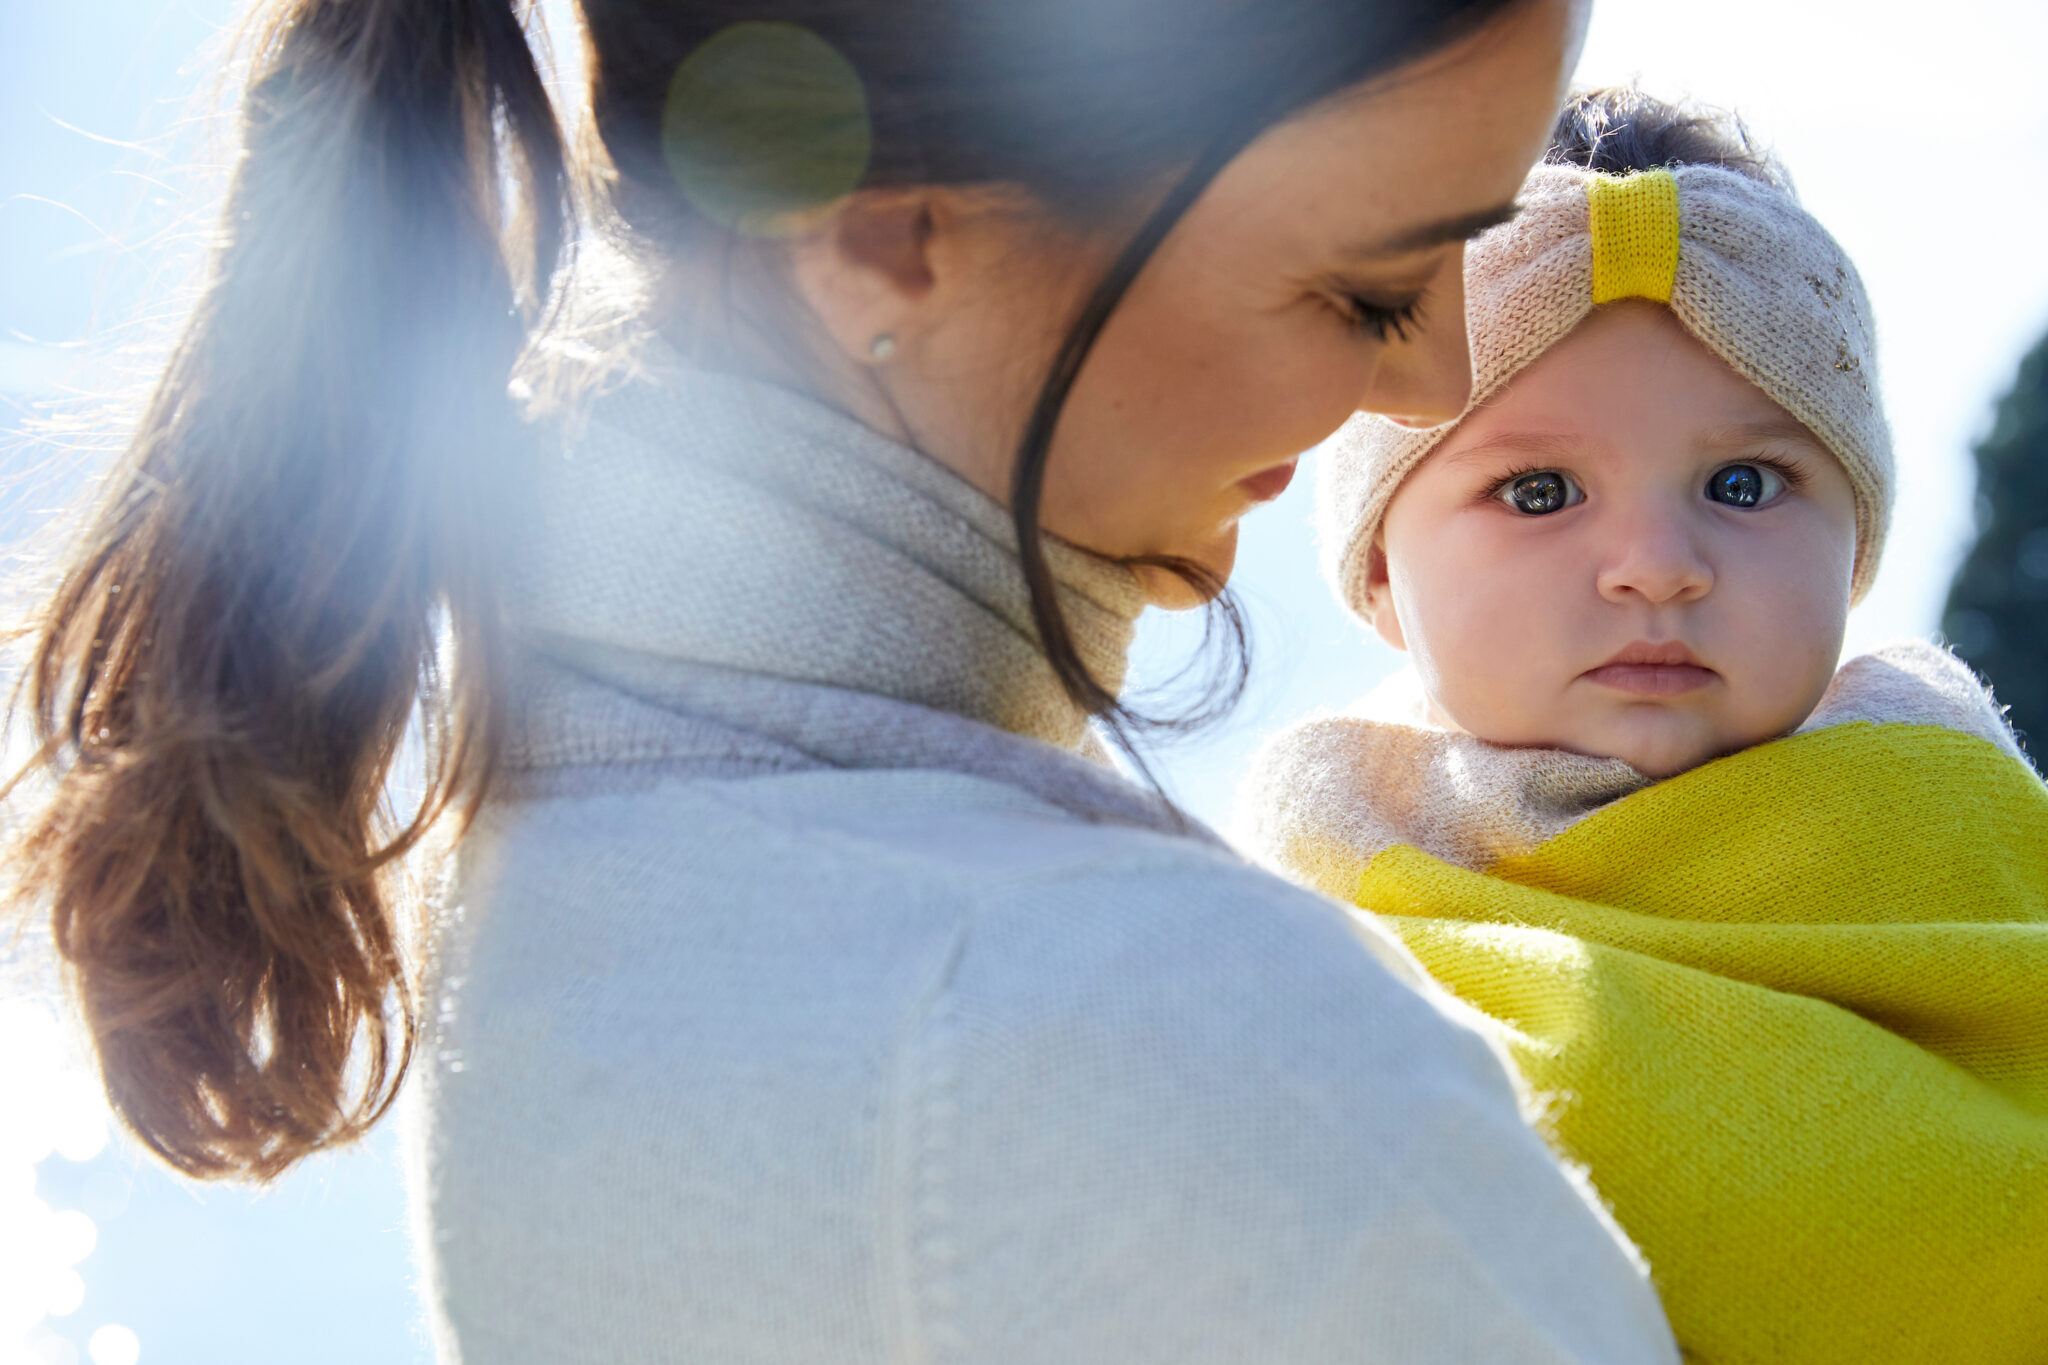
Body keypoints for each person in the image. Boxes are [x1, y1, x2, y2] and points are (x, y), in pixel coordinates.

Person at [6, 1, 1682, 1361]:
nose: (1435, 380)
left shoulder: (566, 851)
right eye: (1371, 285)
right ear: (883, 227)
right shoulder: (1146, 1021)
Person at [1242, 88, 2048, 1365]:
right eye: (1537, 490)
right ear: (1380, 574)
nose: (1656, 566)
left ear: (1851, 555)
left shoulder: (1971, 851)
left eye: (1742, 484)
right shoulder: (1303, 933)